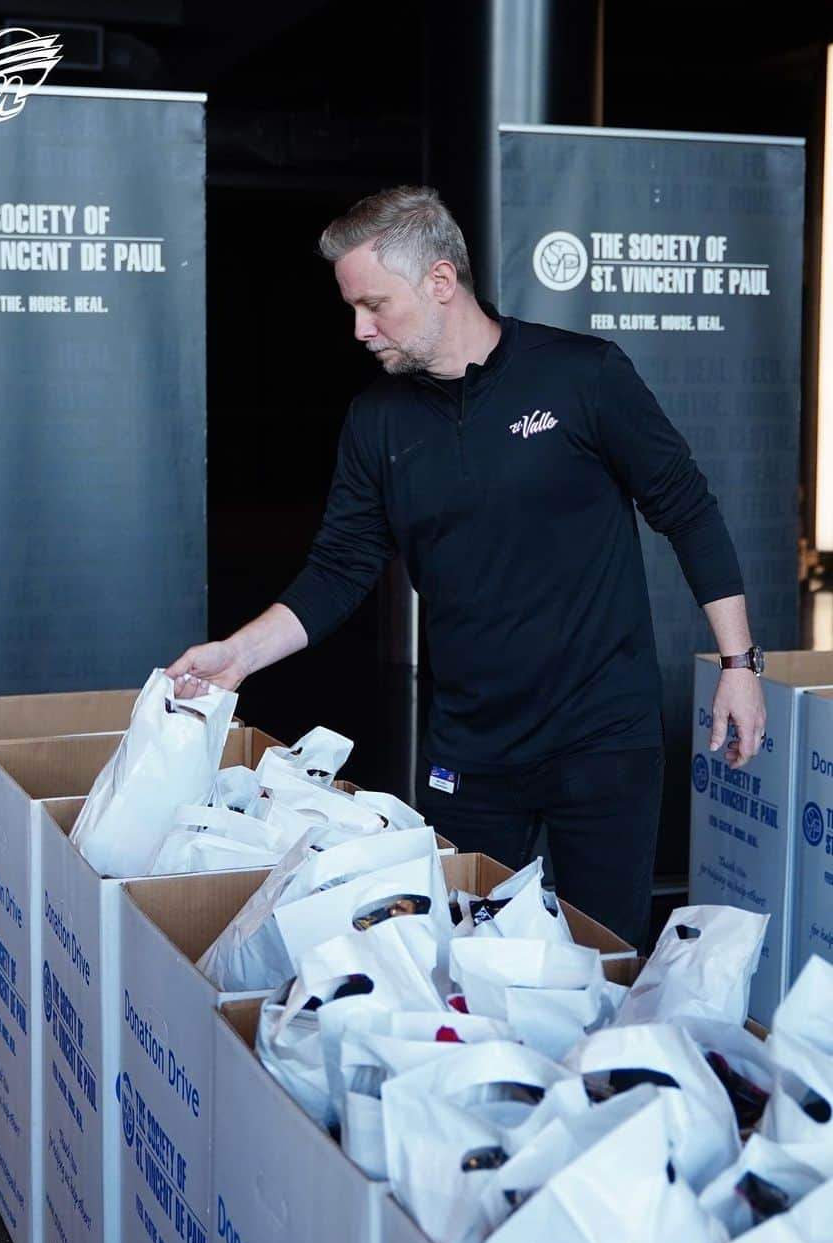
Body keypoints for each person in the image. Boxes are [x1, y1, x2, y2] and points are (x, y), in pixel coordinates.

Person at [167, 185, 765, 947]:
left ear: (440, 282)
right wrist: (237, 657)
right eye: (353, 308)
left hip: (602, 741)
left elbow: (687, 508)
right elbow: (339, 568)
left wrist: (740, 665)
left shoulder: (582, 375)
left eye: (375, 305)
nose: (359, 329)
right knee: (461, 969)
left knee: (605, 966)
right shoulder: (377, 421)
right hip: (471, 755)